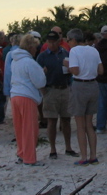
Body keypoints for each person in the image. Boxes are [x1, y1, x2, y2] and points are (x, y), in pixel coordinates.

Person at [36, 31, 78, 159]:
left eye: (53, 41)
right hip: (51, 89)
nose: (51, 44)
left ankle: (68, 147)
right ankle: (53, 149)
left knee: (66, 119)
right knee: (51, 121)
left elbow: (72, 71)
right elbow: (37, 75)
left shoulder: (65, 53)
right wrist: (44, 90)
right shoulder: (42, 56)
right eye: (49, 41)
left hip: (65, 88)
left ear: (58, 42)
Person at [65, 29, 103, 166]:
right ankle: (93, 155)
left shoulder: (74, 51)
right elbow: (101, 70)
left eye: (68, 40)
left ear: (73, 40)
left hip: (80, 85)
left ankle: (84, 156)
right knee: (89, 124)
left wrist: (67, 65)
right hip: (93, 85)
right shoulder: (93, 50)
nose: (68, 43)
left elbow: (75, 70)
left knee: (80, 125)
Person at [10, 34, 47, 166]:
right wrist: (43, 72)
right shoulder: (30, 62)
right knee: (30, 129)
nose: (36, 50)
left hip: (15, 95)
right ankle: (30, 158)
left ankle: (21, 153)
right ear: (31, 47)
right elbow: (40, 82)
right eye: (35, 47)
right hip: (27, 97)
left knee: (19, 128)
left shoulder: (15, 61)